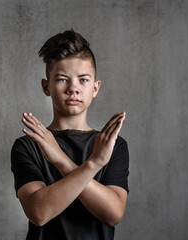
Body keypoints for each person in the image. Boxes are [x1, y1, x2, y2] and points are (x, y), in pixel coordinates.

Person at [11, 29, 129, 240]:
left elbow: (113, 214)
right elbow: (39, 213)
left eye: (83, 80)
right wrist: (93, 165)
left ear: (95, 88)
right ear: (46, 86)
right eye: (62, 79)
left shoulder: (112, 145)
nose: (73, 88)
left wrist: (61, 160)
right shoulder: (27, 146)